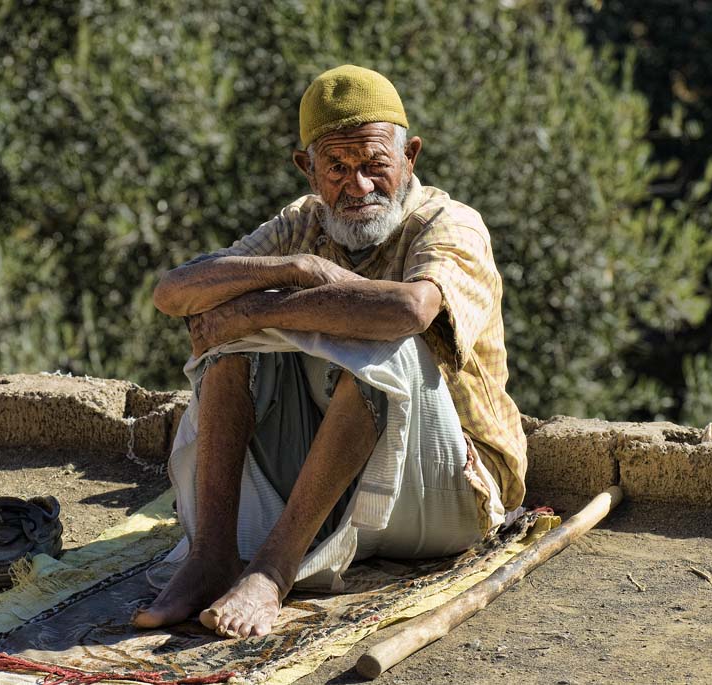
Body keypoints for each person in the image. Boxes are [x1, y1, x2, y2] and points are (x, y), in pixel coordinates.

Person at [132, 65, 527, 639]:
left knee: (384, 342)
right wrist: (295, 269)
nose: (358, 186)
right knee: (231, 347)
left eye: (374, 165)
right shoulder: (304, 223)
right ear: (308, 169)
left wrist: (260, 309)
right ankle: (211, 556)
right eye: (338, 169)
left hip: (452, 493)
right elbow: (173, 292)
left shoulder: (449, 222)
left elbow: (409, 311)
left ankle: (272, 569)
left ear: (410, 156)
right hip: (341, 495)